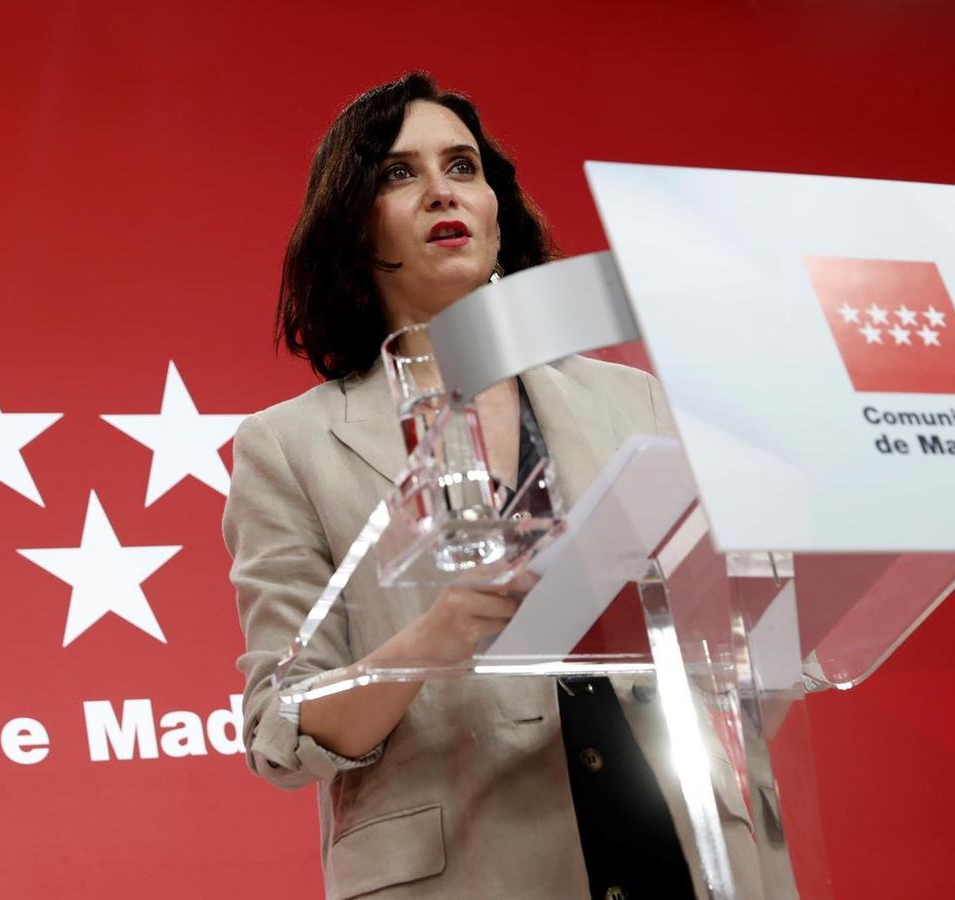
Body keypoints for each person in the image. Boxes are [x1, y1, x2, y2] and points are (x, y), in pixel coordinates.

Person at [222, 73, 759, 899]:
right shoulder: (287, 447)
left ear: (496, 207)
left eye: (463, 167)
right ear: (353, 224)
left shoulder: (630, 399)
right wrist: (431, 641)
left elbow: (725, 628)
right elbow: (280, 726)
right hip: (477, 866)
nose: (442, 190)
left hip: (676, 843)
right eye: (399, 173)